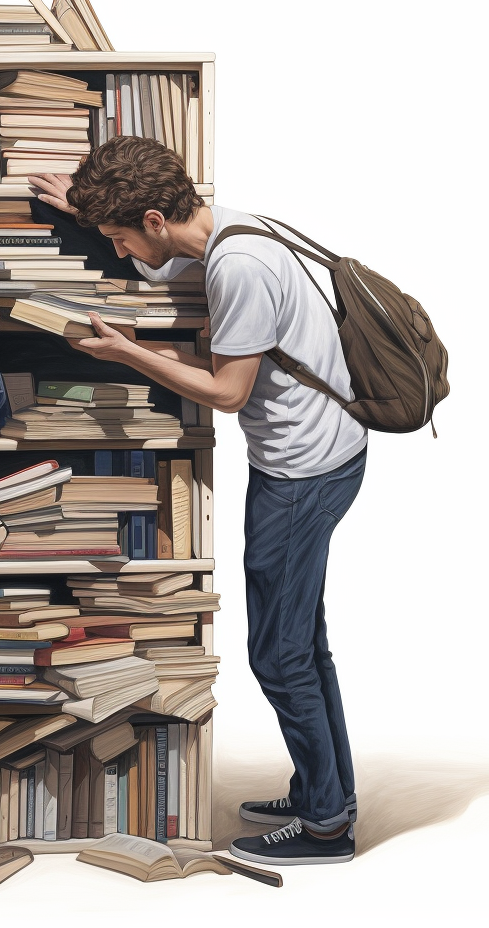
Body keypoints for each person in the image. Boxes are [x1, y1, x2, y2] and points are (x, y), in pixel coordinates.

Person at [30, 136, 368, 865]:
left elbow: (225, 391)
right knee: (305, 643)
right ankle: (326, 792)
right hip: (320, 456)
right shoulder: (230, 229)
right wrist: (87, 210)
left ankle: (325, 826)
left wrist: (127, 352)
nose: (120, 255)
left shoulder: (237, 268)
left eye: (120, 239)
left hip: (303, 472)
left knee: (280, 656)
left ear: (155, 219)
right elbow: (222, 348)